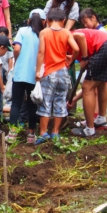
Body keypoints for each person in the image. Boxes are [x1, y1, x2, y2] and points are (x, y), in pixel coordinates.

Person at [70, 28, 107, 137]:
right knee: (101, 83)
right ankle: (101, 119)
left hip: (106, 48)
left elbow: (80, 37)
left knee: (87, 87)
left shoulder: (66, 35)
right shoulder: (87, 38)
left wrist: (85, 58)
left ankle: (89, 130)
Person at [34, 9, 79, 144]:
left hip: (49, 72)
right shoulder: (66, 32)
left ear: (47, 20)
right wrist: (70, 60)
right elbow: (76, 49)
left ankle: (43, 133)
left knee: (45, 102)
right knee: (60, 102)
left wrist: (37, 71)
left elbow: (41, 52)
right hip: (63, 73)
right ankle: (55, 132)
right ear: (63, 21)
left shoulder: (44, 32)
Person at [6, 9, 46, 144]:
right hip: (35, 74)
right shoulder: (43, 34)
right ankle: (31, 135)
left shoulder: (22, 31)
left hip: (19, 73)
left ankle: (12, 134)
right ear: (44, 21)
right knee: (32, 104)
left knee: (16, 103)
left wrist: (17, 60)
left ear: (29, 20)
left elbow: (16, 49)